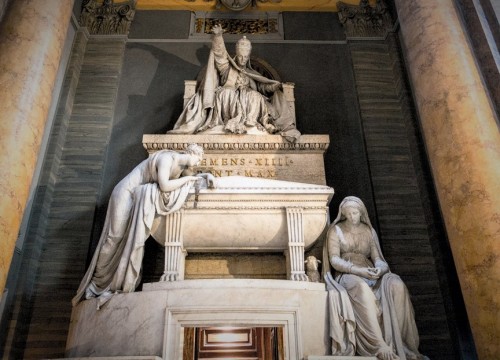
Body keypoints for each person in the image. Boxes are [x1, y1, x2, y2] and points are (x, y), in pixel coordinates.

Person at [72, 144, 214, 308]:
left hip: (136, 197)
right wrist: (189, 179)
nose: (198, 163)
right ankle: (97, 283)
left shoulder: (182, 166)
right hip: (126, 194)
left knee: (124, 239)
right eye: (198, 159)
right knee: (114, 237)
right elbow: (165, 186)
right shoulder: (167, 158)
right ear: (191, 154)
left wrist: (206, 176)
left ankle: (112, 282)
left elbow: (194, 176)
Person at [323, 196, 427, 360]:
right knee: (361, 288)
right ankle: (379, 345)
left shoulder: (369, 231)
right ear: (342, 214)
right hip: (348, 274)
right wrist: (357, 270)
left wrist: (379, 269)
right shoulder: (335, 231)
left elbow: (378, 258)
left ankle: (404, 346)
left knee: (396, 284)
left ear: (361, 212)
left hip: (370, 271)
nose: (352, 217)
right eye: (348, 214)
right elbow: (334, 260)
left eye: (355, 213)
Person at [168, 24, 300, 141]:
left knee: (255, 96)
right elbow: (220, 55)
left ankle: (250, 123)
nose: (243, 59)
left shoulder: (251, 73)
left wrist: (273, 86)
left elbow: (262, 86)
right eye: (241, 56)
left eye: (245, 57)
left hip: (249, 95)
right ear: (237, 56)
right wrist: (218, 36)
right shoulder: (227, 68)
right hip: (229, 93)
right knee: (225, 93)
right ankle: (230, 122)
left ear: (248, 58)